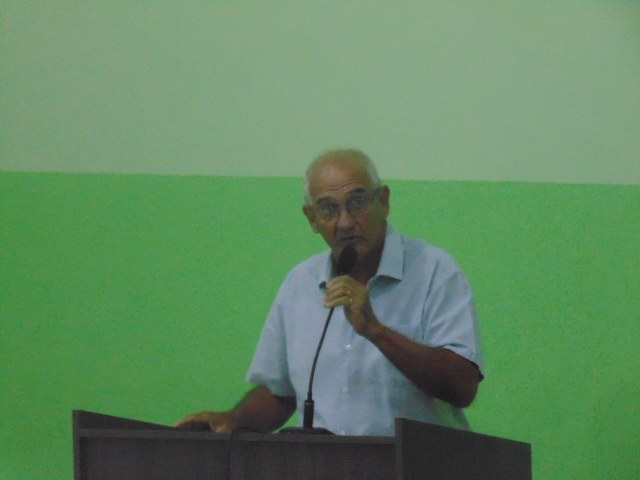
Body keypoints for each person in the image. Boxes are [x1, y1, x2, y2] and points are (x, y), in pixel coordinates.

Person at [177, 149, 484, 436]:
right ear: (312, 219)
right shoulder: (300, 283)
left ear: (384, 201)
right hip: (322, 464)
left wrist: (376, 330)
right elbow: (279, 394)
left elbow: (463, 387)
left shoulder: (435, 271)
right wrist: (234, 420)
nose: (345, 222)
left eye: (357, 203)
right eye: (329, 209)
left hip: (413, 465)